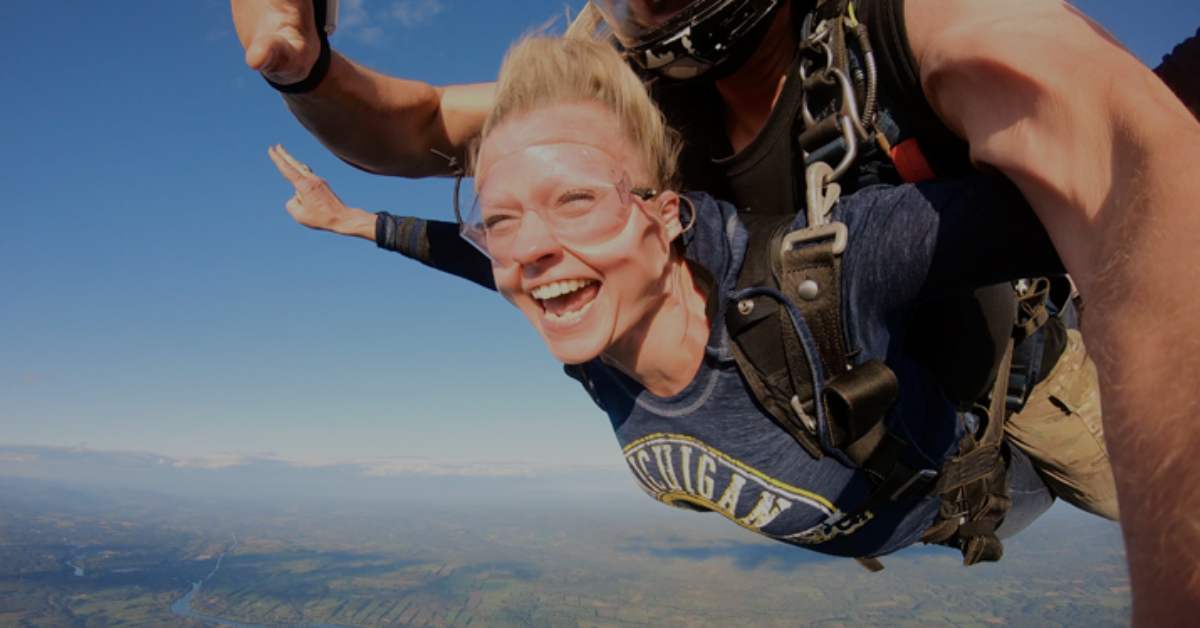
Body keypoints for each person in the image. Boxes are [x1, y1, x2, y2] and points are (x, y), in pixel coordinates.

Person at [239, 2, 1200, 619]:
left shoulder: (833, 263)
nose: (533, 251)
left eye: (577, 203)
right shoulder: (587, 316)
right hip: (913, 505)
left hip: (1028, 435)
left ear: (662, 217)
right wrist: (357, 218)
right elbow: (476, 243)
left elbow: (1122, 180)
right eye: (505, 225)